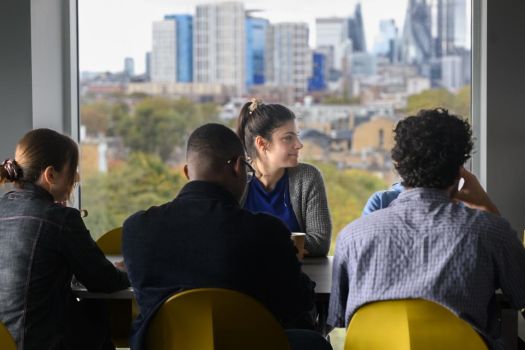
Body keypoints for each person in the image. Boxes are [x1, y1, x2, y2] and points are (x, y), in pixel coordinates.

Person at [328, 109, 525, 350]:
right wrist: (488, 208)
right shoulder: (490, 230)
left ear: (398, 165)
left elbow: (337, 319)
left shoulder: (351, 236)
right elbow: (521, 295)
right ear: (459, 169)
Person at [122, 123, 332, 350]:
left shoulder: (136, 230)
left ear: (187, 173)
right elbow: (299, 301)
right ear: (239, 167)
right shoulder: (265, 231)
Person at [0, 128, 130, 350]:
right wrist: (130, 270)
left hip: (6, 342)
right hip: (39, 342)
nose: (76, 178)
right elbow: (104, 281)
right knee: (96, 318)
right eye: (73, 172)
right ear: (50, 175)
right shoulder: (59, 218)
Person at [236, 98, 331, 256]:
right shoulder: (235, 177)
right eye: (288, 138)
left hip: (298, 277)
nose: (299, 144)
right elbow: (225, 240)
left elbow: (319, 243)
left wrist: (253, 244)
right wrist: (291, 245)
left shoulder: (308, 177)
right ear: (262, 143)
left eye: (297, 136)